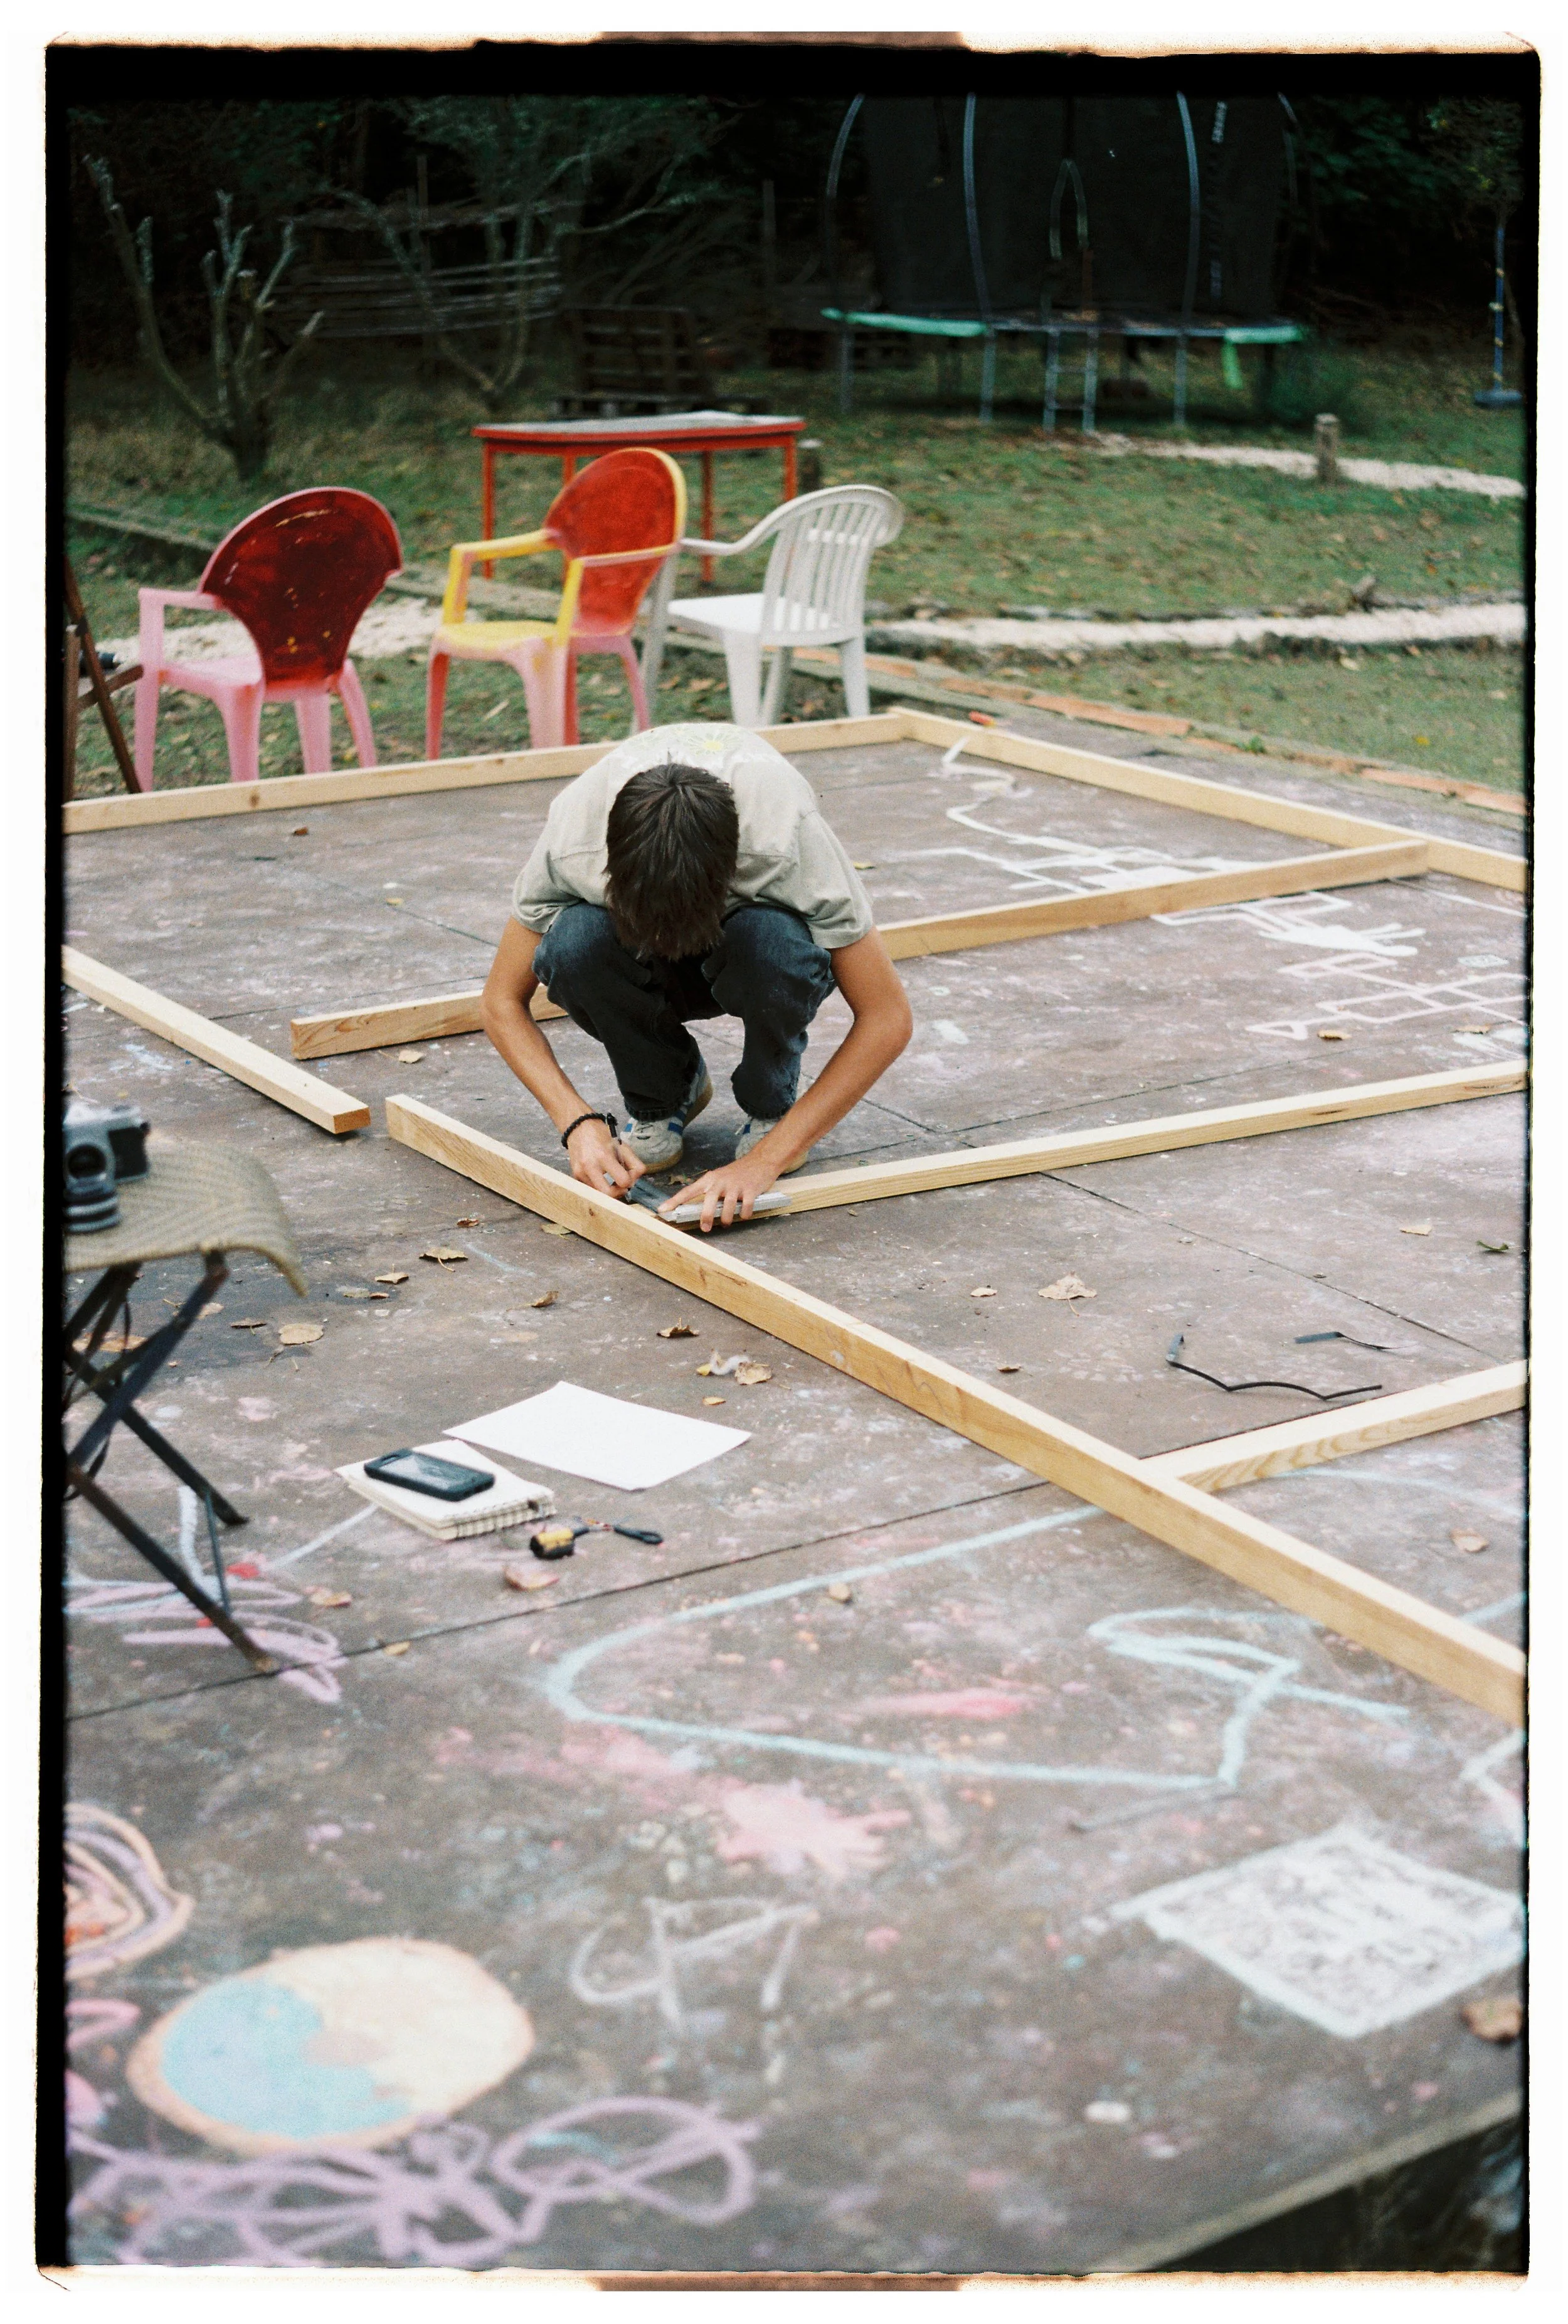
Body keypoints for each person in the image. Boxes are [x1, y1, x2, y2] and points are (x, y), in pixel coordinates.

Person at [482, 721, 913, 1232]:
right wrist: (577, 1122)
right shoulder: (573, 844)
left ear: (733, 873)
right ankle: (665, 1092)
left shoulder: (785, 844)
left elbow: (887, 1017)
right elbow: (501, 1001)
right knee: (574, 943)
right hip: (638, 949)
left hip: (747, 949)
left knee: (772, 940)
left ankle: (771, 1104)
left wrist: (765, 1161)